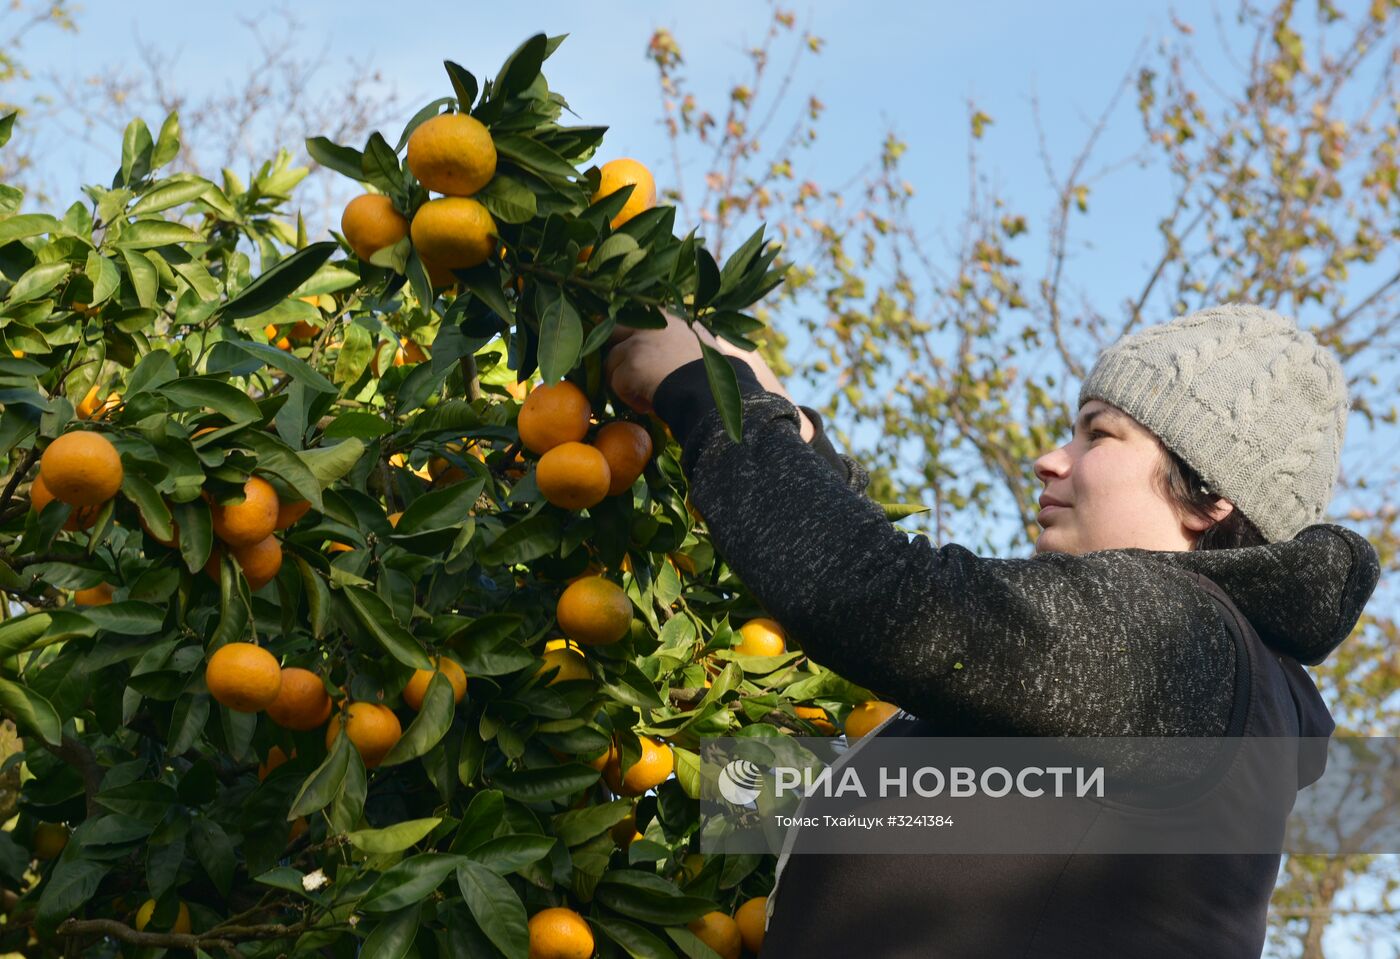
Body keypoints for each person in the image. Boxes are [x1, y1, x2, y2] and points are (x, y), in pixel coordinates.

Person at [603, 302, 1380, 957]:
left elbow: (880, 602)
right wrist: (623, 751)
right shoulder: (1174, 697)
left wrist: (709, 396)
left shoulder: (1182, 647)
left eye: (1097, 434)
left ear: (1209, 493)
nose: (1049, 460)